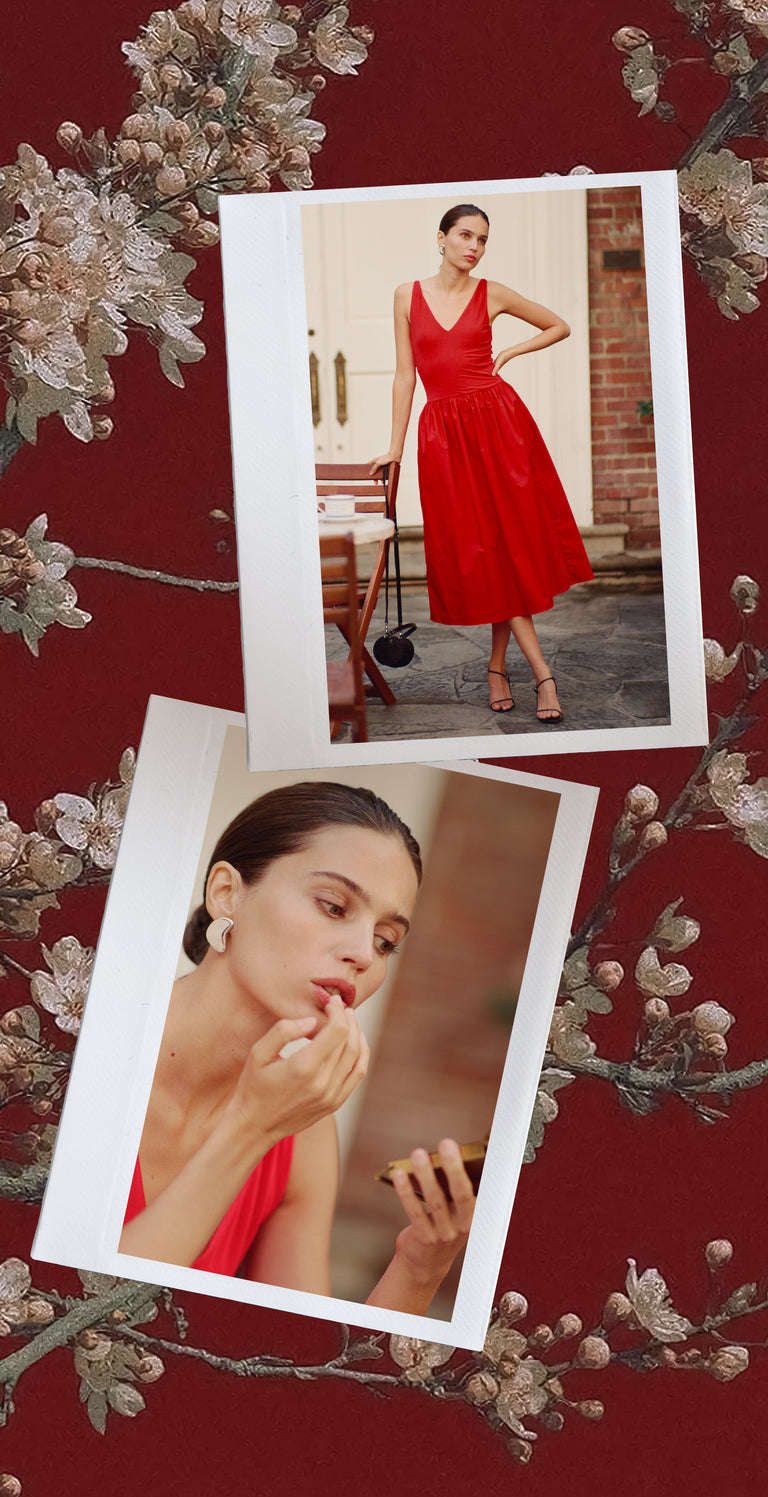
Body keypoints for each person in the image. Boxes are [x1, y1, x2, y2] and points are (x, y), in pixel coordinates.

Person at [119, 780, 475, 1315]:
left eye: (386, 942)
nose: (362, 954)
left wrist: (420, 1268)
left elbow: (304, 1370)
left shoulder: (302, 1135)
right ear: (226, 893)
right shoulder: (80, 1051)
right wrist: (253, 1128)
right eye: (334, 907)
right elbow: (69, 1310)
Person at [370, 203, 594, 723]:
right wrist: (395, 447)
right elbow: (406, 377)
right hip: (444, 436)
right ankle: (497, 667)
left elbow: (558, 326)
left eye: (483, 239)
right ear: (442, 238)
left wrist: (511, 353)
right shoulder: (408, 295)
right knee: (484, 549)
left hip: (499, 427)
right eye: (466, 235)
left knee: (507, 547)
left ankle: (542, 677)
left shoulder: (492, 293)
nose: (474, 246)